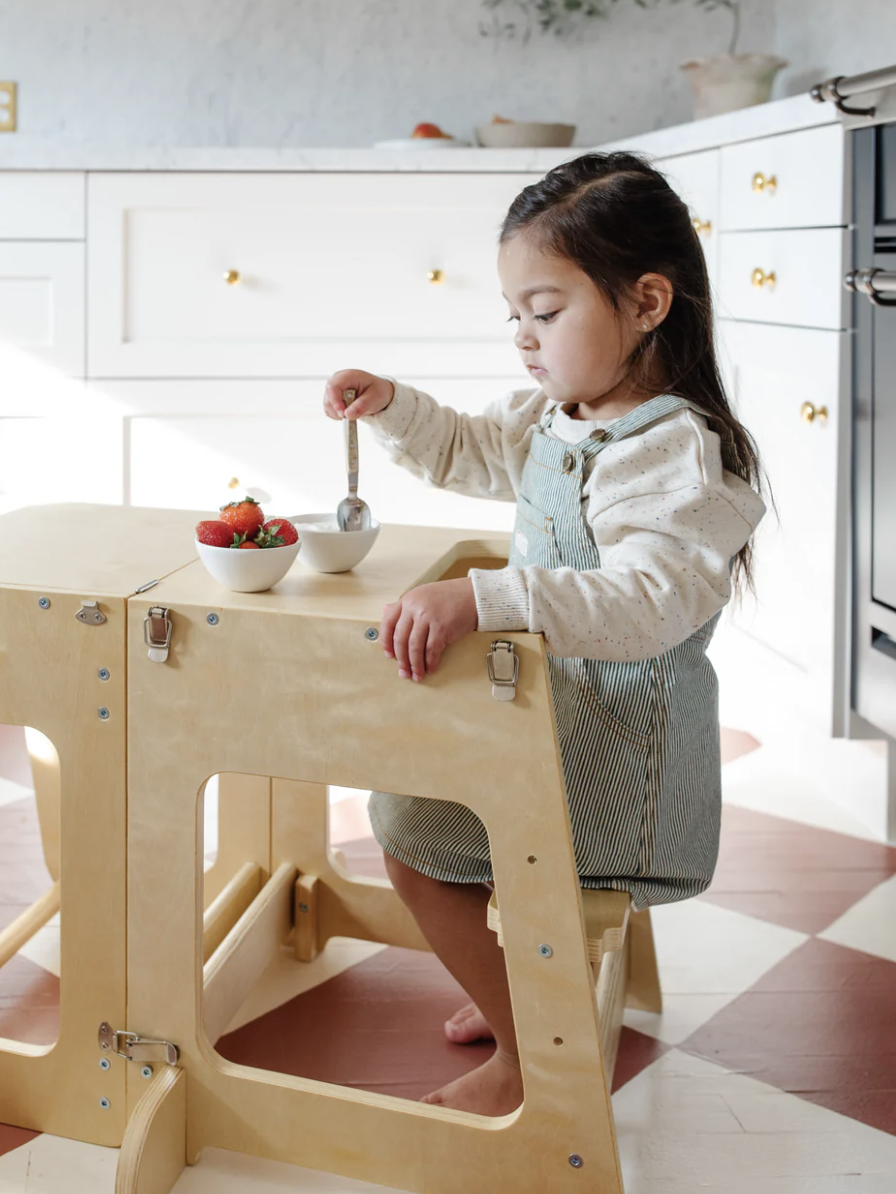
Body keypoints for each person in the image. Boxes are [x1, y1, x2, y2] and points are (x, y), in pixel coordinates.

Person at [321, 151, 767, 1118]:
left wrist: (491, 597)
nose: (524, 340)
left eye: (547, 311)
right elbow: (472, 451)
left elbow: (648, 598)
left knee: (410, 837)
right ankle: (523, 990)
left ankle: (531, 1052)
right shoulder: (558, 415)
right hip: (558, 724)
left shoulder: (673, 451)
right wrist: (393, 405)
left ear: (648, 301)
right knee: (419, 787)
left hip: (617, 756)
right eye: (514, 316)